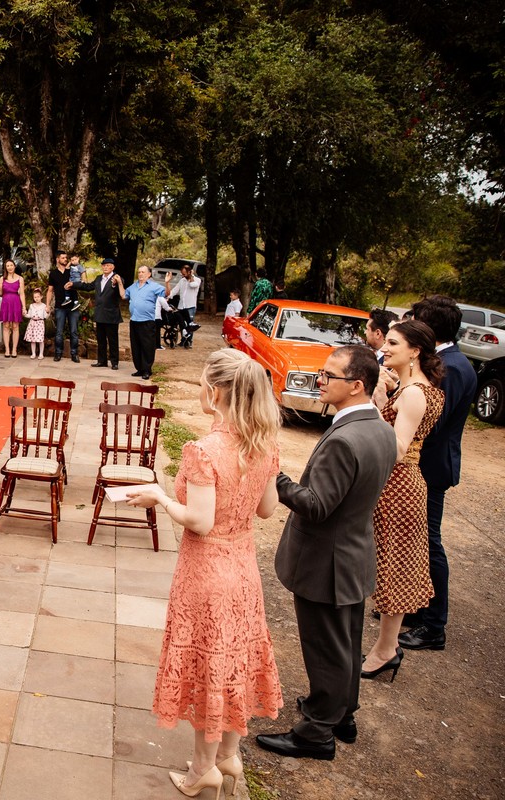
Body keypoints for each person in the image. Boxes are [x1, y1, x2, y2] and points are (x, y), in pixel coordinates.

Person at [126, 349, 284, 799]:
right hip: (243, 568)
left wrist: (161, 497)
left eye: (200, 384)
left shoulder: (204, 450)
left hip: (206, 572)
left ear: (215, 392)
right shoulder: (264, 444)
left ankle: (202, 769)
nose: (199, 391)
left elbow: (199, 521)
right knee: (233, 659)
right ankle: (229, 756)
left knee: (208, 666)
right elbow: (268, 509)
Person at [256, 345, 397, 762]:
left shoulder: (346, 438)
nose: (320, 380)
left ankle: (316, 733)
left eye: (329, 376)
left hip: (327, 562)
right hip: (354, 552)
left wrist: (275, 477)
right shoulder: (379, 427)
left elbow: (317, 505)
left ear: (356, 386)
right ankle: (342, 714)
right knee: (346, 643)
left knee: (325, 649)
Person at [360, 319, 444, 682]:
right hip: (401, 484)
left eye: (393, 343)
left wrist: (377, 403)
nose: (385, 347)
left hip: (398, 486)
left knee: (393, 567)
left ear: (415, 351)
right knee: (391, 564)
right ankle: (387, 646)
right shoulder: (416, 387)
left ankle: (386, 650)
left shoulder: (413, 393)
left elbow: (396, 448)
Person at [400, 295, 477, 651]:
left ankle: (434, 626)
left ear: (428, 328)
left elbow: (433, 420)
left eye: (416, 320)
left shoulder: (454, 367)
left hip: (431, 467)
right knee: (416, 540)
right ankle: (416, 608)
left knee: (429, 543)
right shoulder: (446, 361)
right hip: (423, 465)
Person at [73, 258, 124, 369]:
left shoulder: (117, 278)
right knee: (101, 339)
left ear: (112, 267)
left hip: (111, 315)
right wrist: (74, 284)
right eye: (104, 265)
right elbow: (88, 287)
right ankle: (102, 361)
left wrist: (116, 283)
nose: (105, 267)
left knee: (112, 340)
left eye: (108, 265)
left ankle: (114, 362)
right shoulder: (99, 278)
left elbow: (120, 290)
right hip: (100, 313)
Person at [125, 265, 165, 380]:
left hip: (147, 321)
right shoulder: (133, 286)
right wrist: (119, 283)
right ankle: (139, 369)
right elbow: (124, 295)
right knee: (135, 346)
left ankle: (147, 370)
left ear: (149, 274)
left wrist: (167, 283)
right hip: (134, 320)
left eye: (143, 272)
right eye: (139, 272)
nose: (140, 274)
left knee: (147, 346)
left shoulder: (153, 286)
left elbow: (166, 293)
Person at [46, 251, 80, 362]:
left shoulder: (71, 271)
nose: (65, 259)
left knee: (74, 331)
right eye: (63, 258)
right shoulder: (53, 274)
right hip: (59, 306)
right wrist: (47, 305)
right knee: (59, 332)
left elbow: (80, 282)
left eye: (66, 258)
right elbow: (50, 290)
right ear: (57, 259)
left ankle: (74, 354)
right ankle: (58, 353)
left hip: (73, 307)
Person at [166, 265, 202, 347]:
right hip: (181, 305)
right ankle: (183, 340)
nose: (183, 275)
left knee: (190, 324)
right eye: (182, 274)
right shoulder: (182, 281)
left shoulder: (197, 280)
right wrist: (168, 297)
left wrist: (191, 276)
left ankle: (189, 342)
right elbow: (175, 290)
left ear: (189, 272)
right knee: (182, 324)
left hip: (190, 306)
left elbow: (192, 285)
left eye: (184, 274)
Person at [0, 258, 24, 358]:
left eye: (11, 265)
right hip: (5, 303)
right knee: (6, 326)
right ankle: (7, 349)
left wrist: (24, 307)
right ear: (5, 268)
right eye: (7, 266)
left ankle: (14, 349)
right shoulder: (2, 279)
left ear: (14, 266)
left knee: (15, 326)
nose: (10, 267)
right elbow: (0, 293)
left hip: (16, 303)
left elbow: (22, 294)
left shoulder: (20, 279)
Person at [24, 288, 48, 359]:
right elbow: (29, 315)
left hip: (40, 323)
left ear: (41, 297)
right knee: (33, 340)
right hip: (32, 323)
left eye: (38, 297)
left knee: (40, 339)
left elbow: (45, 316)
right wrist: (24, 314)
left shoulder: (44, 306)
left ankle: (41, 354)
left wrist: (48, 312)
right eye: (35, 297)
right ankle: (33, 353)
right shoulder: (31, 306)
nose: (36, 298)